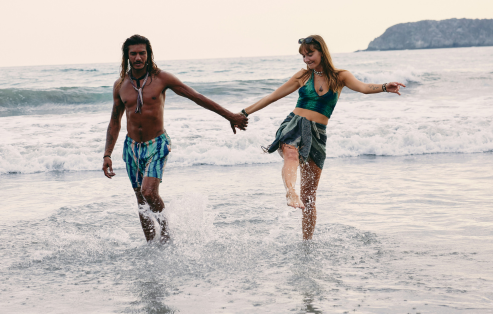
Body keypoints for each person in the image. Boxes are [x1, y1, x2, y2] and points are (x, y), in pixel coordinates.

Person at [239, 35, 405, 241]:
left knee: (309, 197)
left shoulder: (340, 76)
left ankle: (306, 242)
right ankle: (290, 192)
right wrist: (244, 113)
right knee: (290, 154)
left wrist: (384, 86)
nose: (306, 59)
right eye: (303, 56)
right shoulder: (303, 76)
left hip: (318, 134)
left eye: (310, 54)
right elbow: (273, 96)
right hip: (295, 124)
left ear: (322, 52)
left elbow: (363, 87)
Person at [102, 34, 248, 243]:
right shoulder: (120, 85)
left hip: (157, 144)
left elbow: (197, 97)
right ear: (126, 56)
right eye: (133, 54)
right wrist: (107, 154)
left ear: (148, 54)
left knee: (149, 192)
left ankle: (167, 235)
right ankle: (151, 244)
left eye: (142, 53)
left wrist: (230, 116)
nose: (137, 58)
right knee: (140, 199)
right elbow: (114, 120)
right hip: (132, 147)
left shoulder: (162, 78)